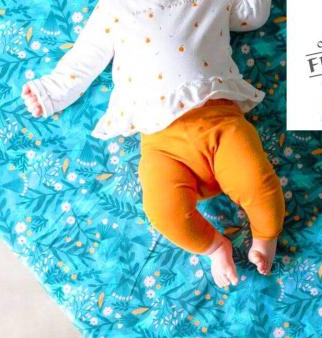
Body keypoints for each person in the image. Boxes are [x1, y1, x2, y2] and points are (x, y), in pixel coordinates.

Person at [22, 0, 285, 288]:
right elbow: (85, 57)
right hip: (163, 146)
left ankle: (265, 237)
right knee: (163, 210)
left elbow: (252, 16)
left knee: (257, 181)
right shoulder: (114, 8)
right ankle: (213, 247)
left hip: (221, 123)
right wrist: (51, 91)